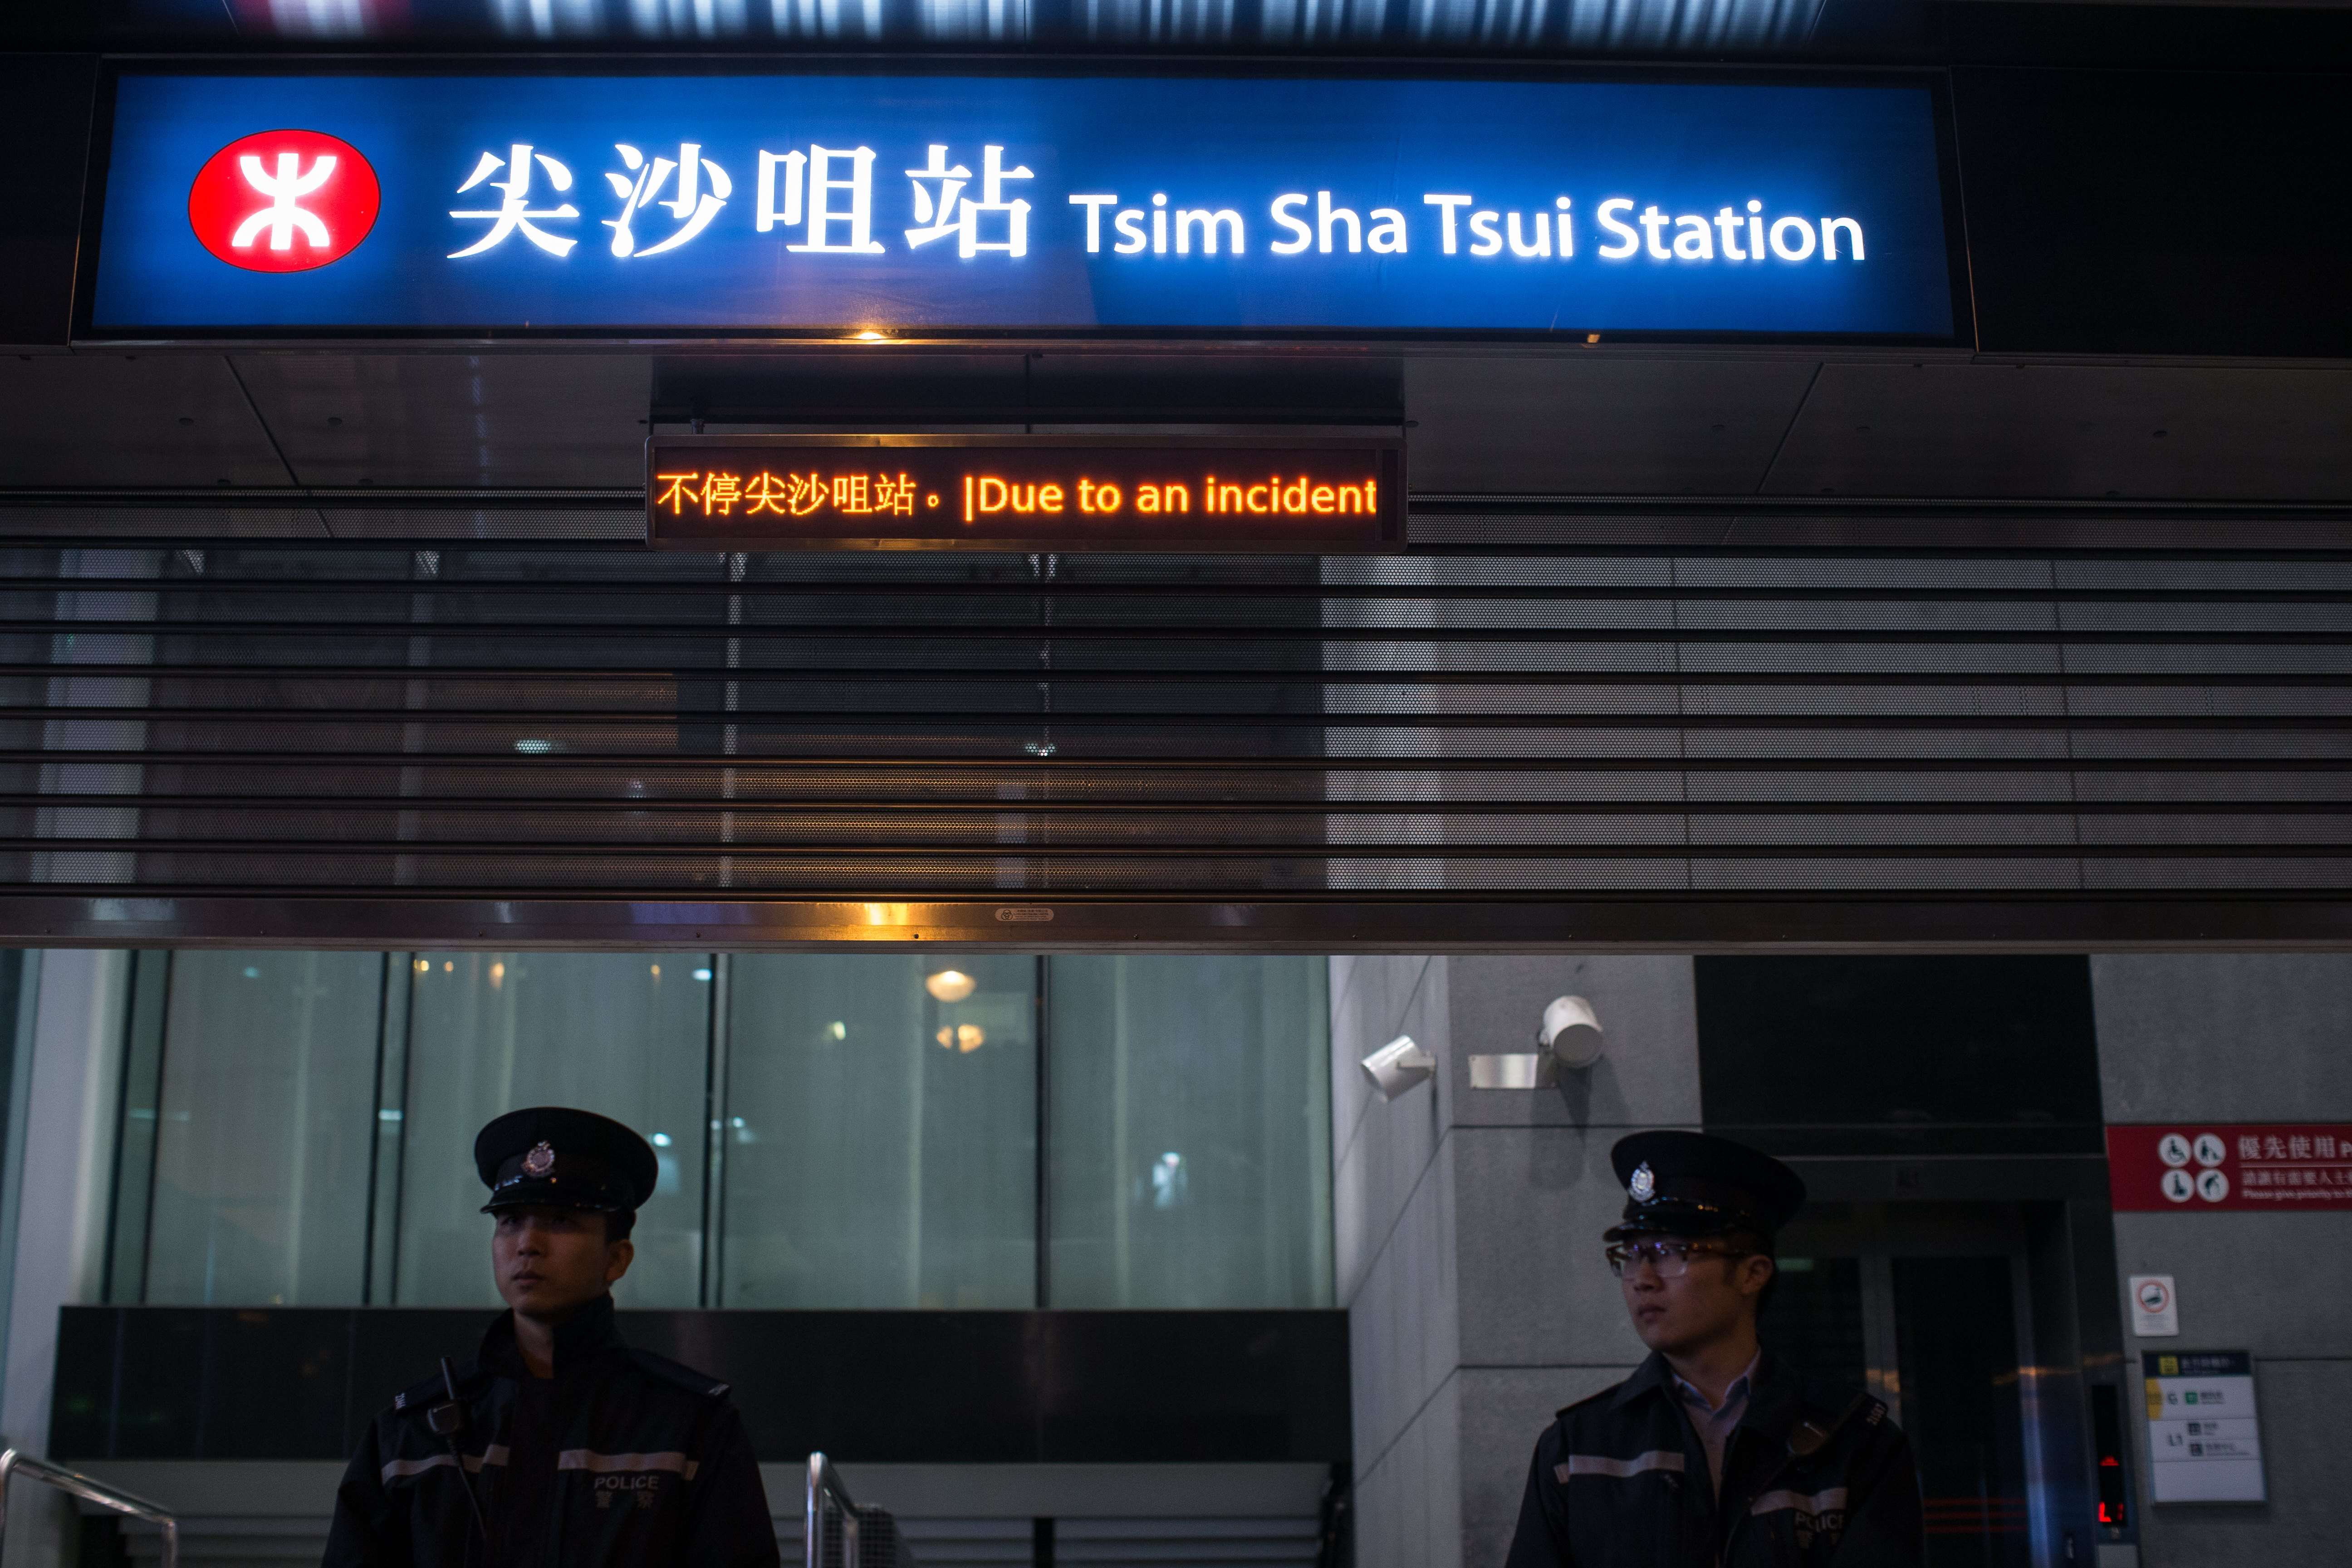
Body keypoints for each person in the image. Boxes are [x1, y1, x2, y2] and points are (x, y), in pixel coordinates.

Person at [323, 1106, 779, 1568]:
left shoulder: (688, 1427)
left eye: (561, 1221)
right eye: (510, 1221)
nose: (528, 1243)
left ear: (617, 1259)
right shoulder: (412, 1434)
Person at [1503, 1130, 1923, 1567]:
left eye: (1671, 1252)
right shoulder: (1579, 1448)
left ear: (1752, 1274)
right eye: (1630, 1256)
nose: (1643, 1278)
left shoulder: (1854, 1442)